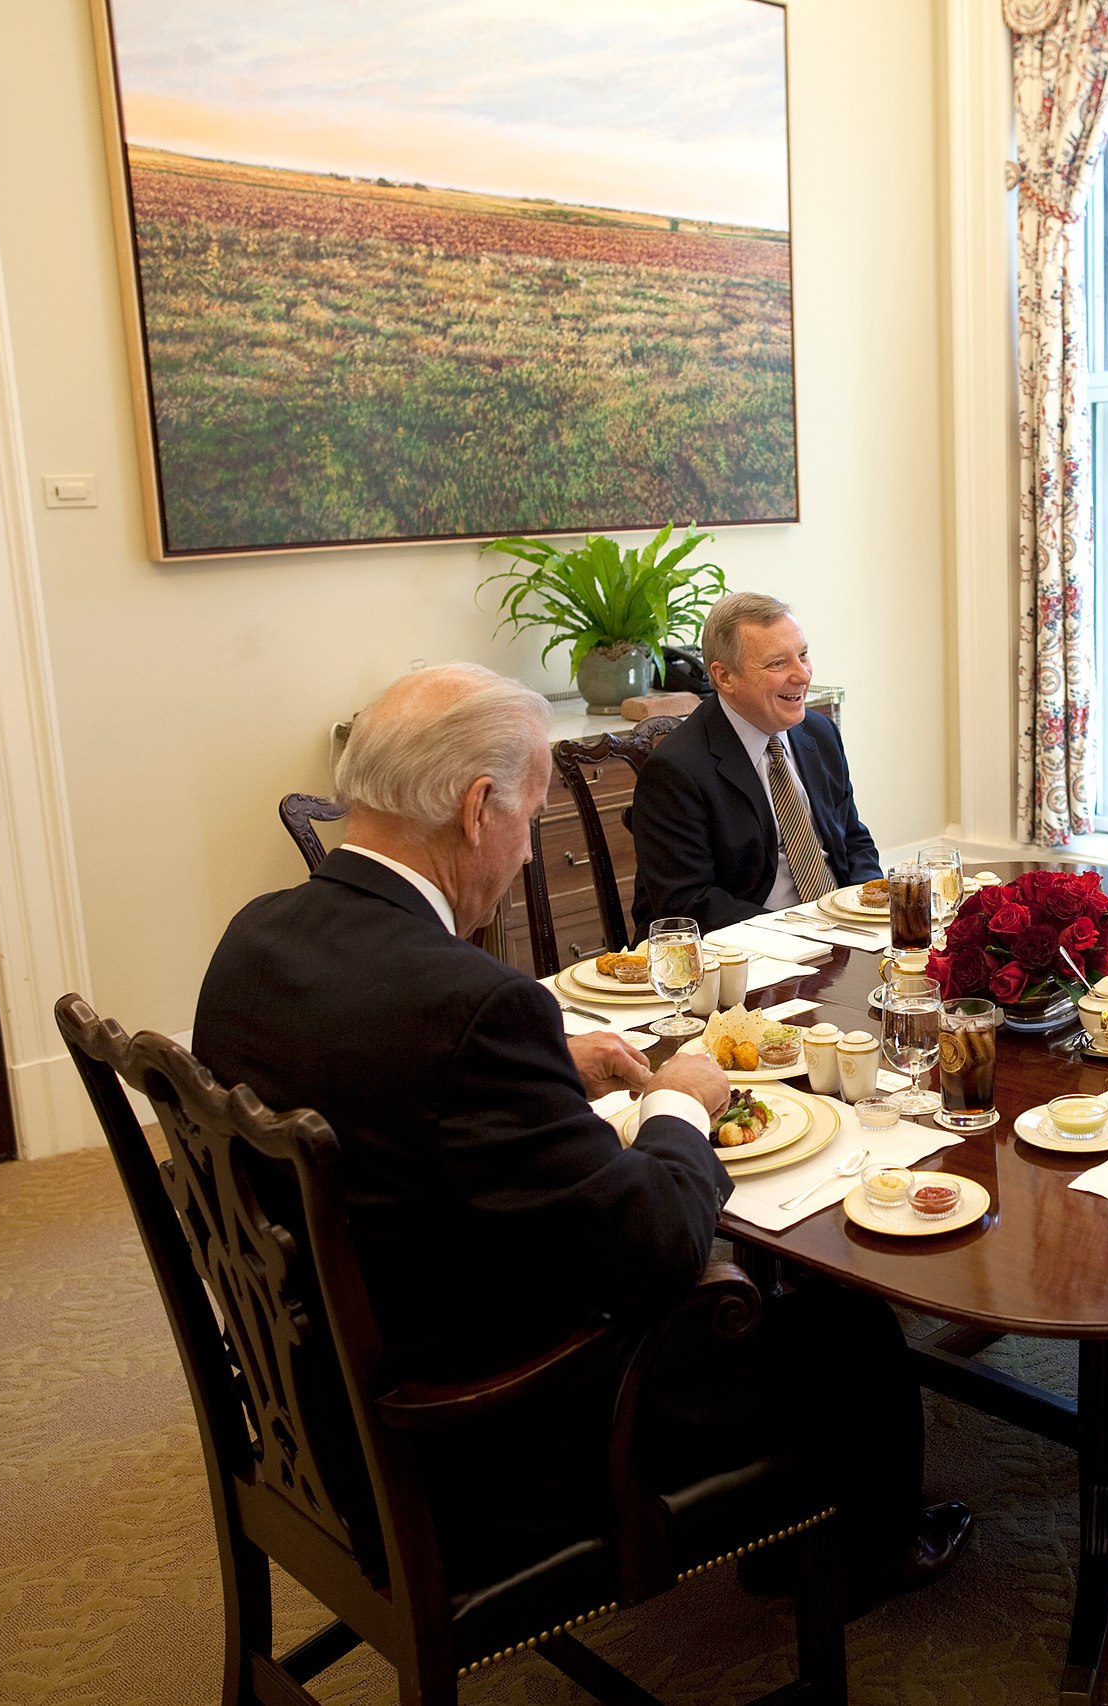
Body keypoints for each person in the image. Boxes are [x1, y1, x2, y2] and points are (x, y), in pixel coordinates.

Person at [194, 663, 968, 1600]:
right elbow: (656, 1249)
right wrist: (680, 1100)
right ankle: (857, 1557)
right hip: (482, 1439)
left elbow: (380, 1069)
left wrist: (550, 1059)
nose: (526, 854)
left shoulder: (257, 937)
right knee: (848, 1329)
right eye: (525, 818)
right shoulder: (472, 1005)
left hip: (313, 1403)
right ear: (479, 808)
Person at [631, 592, 882, 935]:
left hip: (839, 931)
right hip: (748, 951)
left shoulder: (819, 733)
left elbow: (852, 838)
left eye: (803, 655)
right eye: (778, 664)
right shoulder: (676, 770)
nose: (802, 675)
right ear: (724, 677)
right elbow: (688, 902)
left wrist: (873, 903)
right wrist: (800, 929)